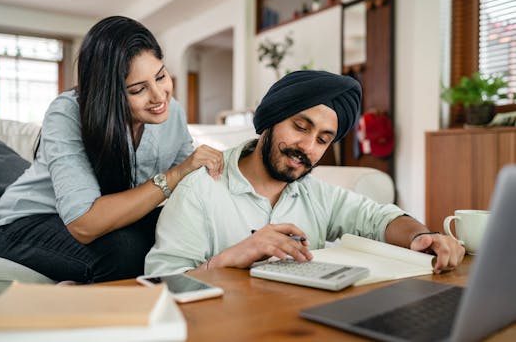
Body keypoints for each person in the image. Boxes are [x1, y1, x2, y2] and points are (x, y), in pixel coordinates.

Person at [144, 70, 465, 275]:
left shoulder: (316, 194)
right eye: (300, 126)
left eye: (323, 140)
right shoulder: (199, 190)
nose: (308, 146)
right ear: (270, 119)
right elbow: (161, 282)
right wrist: (227, 259)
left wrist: (422, 236)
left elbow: (378, 218)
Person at [0, 16, 223, 283]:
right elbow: (84, 223)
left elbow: (191, 186)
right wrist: (174, 175)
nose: (159, 96)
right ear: (109, 93)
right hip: (27, 223)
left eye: (161, 76)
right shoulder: (68, 112)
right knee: (127, 250)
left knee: (186, 229)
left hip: (112, 220)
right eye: (138, 89)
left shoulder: (174, 112)